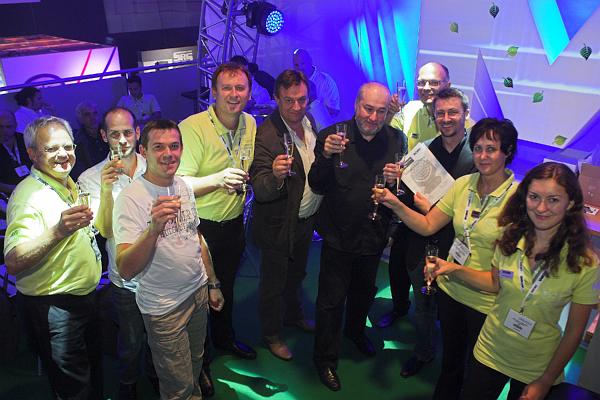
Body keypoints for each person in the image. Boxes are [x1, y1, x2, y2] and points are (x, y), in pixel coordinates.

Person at [375, 117, 519, 399]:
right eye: (478, 149)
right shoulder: (463, 184)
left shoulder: (518, 199)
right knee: (450, 364)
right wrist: (394, 203)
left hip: (486, 303)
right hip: (452, 292)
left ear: (508, 151)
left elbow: (502, 276)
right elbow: (428, 224)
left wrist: (450, 268)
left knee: (478, 375)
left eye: (491, 149)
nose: (482, 156)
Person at [433, 162, 599, 400]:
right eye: (534, 197)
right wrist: (453, 269)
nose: (541, 208)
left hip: (536, 365)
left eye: (553, 200)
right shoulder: (509, 237)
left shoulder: (585, 264)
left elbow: (574, 331)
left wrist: (546, 379)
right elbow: (494, 284)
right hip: (490, 350)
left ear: (570, 203)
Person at [113, 119, 224, 400]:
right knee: (178, 387)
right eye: (159, 147)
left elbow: (195, 236)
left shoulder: (183, 186)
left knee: (195, 365)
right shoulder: (131, 198)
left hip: (197, 293)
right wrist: (153, 229)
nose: (168, 154)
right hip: (164, 307)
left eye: (174, 146)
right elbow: (125, 269)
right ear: (143, 151)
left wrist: (212, 282)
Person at [308, 82, 407, 391]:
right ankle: (324, 359)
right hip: (338, 235)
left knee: (363, 293)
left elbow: (400, 191)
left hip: (373, 235)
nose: (374, 117)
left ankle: (355, 332)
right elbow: (317, 183)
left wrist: (397, 182)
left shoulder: (397, 140)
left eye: (381, 111)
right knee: (330, 301)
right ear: (356, 105)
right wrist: (326, 156)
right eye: (368, 109)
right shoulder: (332, 136)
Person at [4, 116, 103, 399]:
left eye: (67, 146)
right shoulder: (27, 197)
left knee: (93, 378)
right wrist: (58, 231)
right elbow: (13, 261)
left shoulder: (67, 182)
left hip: (85, 298)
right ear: (32, 153)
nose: (63, 154)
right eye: (51, 148)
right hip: (55, 308)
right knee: (74, 389)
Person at [177, 62, 257, 396]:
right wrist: (218, 179)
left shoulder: (251, 123)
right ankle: (202, 364)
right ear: (213, 92)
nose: (233, 95)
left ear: (249, 93)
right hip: (199, 228)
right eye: (226, 88)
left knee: (227, 287)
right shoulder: (192, 127)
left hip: (234, 223)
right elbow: (179, 185)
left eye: (240, 88)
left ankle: (225, 339)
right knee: (198, 299)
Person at [388, 88, 477, 378]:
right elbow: (405, 197)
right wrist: (395, 182)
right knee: (424, 305)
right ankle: (424, 352)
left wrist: (435, 209)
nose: (446, 118)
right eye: (440, 113)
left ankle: (458, 365)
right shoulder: (422, 152)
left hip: (461, 248)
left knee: (458, 311)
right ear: (433, 116)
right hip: (422, 242)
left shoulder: (478, 156)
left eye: (453, 112)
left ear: (465, 114)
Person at [77, 107, 157, 399]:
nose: (122, 140)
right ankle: (128, 383)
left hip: (160, 271)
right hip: (126, 278)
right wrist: (106, 188)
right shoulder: (91, 177)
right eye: (114, 134)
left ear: (137, 133)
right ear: (104, 136)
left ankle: (156, 376)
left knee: (160, 337)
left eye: (127, 133)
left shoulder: (155, 166)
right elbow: (105, 230)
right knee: (131, 340)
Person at [250, 69, 321, 361]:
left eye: (301, 99)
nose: (296, 106)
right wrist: (276, 176)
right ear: (276, 98)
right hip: (278, 226)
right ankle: (272, 335)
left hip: (305, 221)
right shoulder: (267, 134)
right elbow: (260, 188)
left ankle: (294, 315)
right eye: (289, 100)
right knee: (273, 285)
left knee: (297, 274)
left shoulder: (309, 120)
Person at [293, 48, 340, 121]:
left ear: (310, 61)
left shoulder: (325, 81)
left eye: (303, 63)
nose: (300, 68)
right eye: (296, 65)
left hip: (323, 125)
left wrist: (314, 104)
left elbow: (334, 111)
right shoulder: (292, 82)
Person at [72, 101, 110, 180]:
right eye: (87, 114)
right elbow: (80, 169)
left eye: (95, 113)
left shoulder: (109, 132)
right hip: (92, 178)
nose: (92, 117)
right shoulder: (78, 141)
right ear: (80, 119)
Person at [0, 110, 32, 201]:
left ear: (15, 126)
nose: (4, 131)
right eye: (1, 127)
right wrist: (15, 189)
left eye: (8, 127)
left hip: (31, 186)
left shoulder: (23, 139)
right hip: (8, 193)